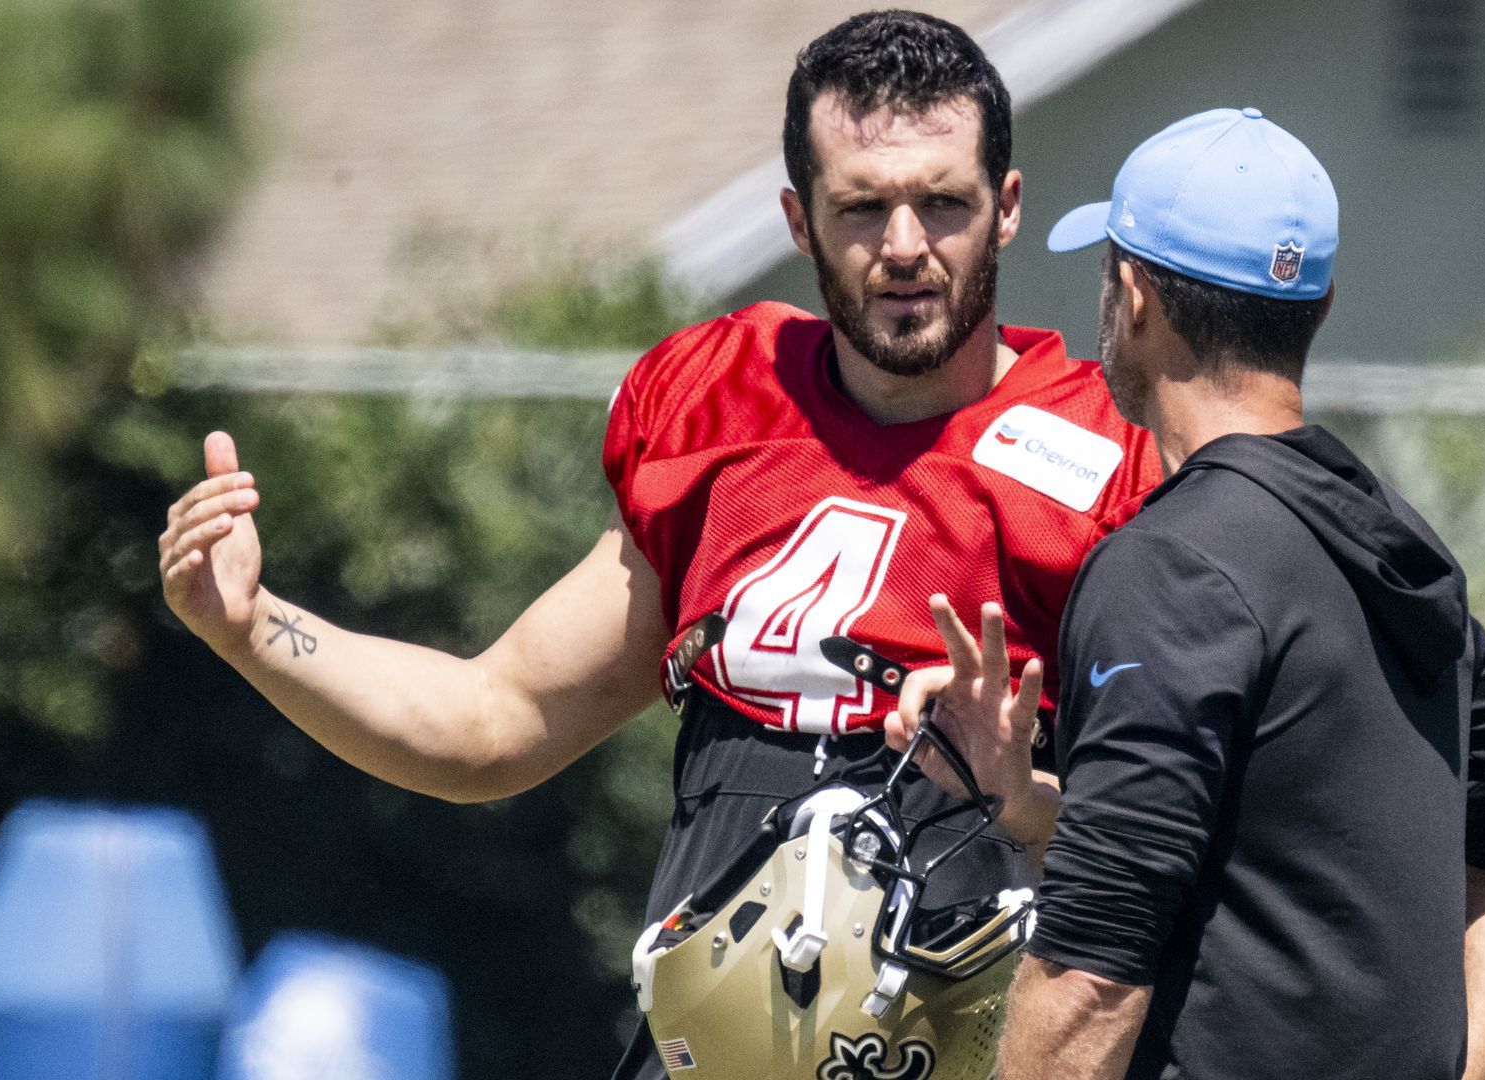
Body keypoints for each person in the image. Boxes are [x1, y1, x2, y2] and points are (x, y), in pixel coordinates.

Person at [154, 11, 1158, 1079]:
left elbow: (1168, 850)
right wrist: (255, 629)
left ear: (1004, 209)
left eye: (941, 202)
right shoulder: (720, 401)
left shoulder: (1111, 463)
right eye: (863, 207)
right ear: (800, 220)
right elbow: (498, 717)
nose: (905, 246)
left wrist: (1027, 798)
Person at [891, 108, 1485, 1080]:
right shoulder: (1388, 543)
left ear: (1133, 294)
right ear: (1319, 303)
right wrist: (1024, 796)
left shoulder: (1170, 568)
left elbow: (1092, 971)